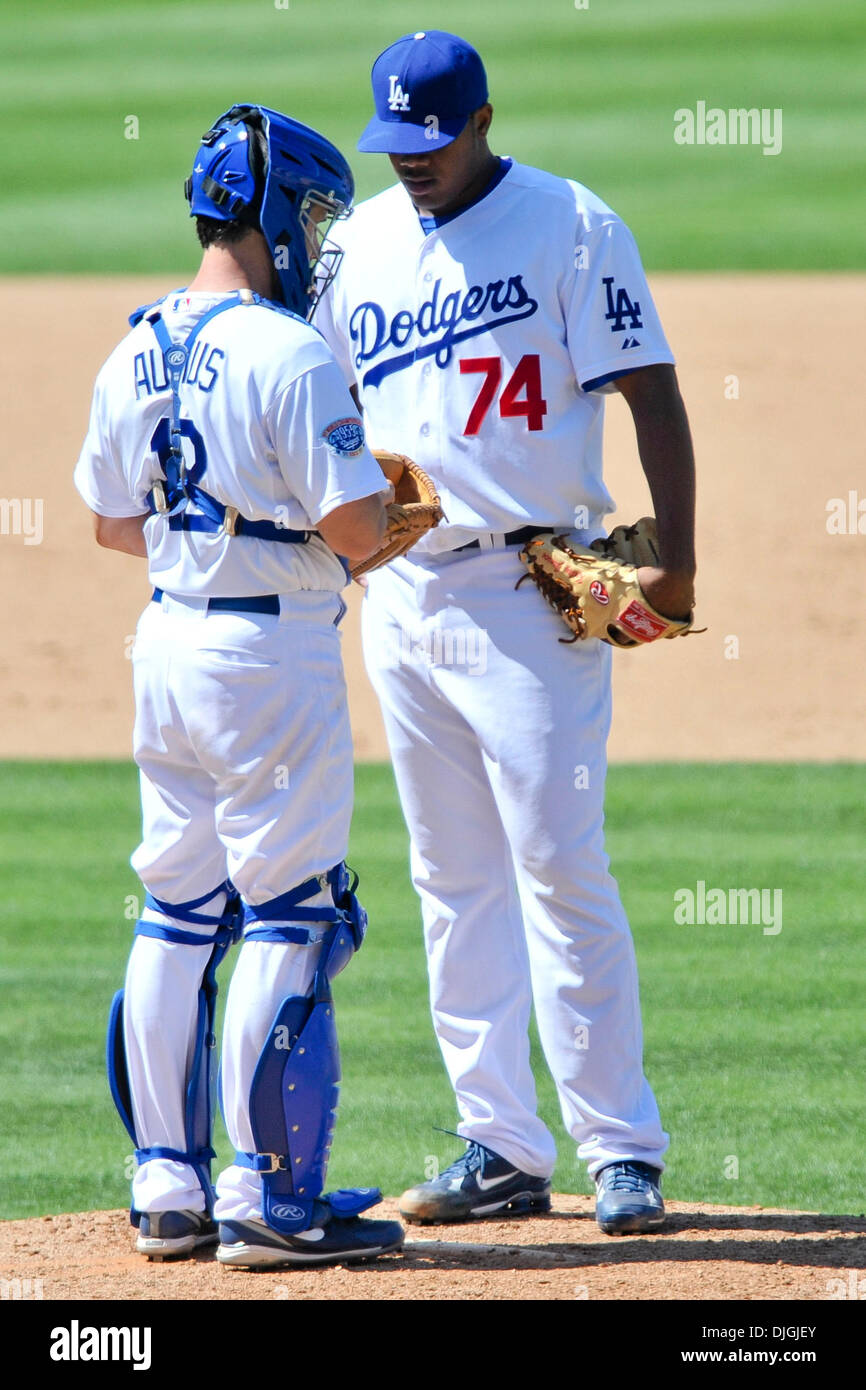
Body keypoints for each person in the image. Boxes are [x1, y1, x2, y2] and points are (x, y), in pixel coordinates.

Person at [316, 31, 697, 1234]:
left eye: (430, 141)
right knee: (450, 877)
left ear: (480, 119)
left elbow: (652, 390)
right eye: (395, 145)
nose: (411, 164)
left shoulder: (571, 225)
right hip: (405, 593)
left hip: (534, 594)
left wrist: (675, 563)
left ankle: (619, 1148)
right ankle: (497, 1143)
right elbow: (320, 403)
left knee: (558, 861)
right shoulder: (356, 243)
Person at [74, 102, 405, 1268]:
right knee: (290, 912)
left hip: (165, 642)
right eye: (310, 213)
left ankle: (164, 1184)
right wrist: (398, 514)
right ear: (267, 214)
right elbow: (358, 529)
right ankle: (268, 1199)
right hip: (268, 658)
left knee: (176, 907)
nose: (315, 237)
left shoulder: (134, 343)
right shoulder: (287, 348)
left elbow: (114, 525)